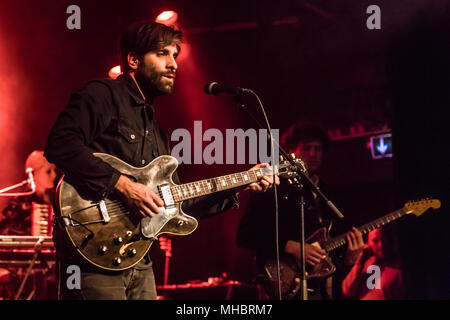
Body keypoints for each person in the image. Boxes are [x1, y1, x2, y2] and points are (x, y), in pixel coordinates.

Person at [44, 21, 276, 300]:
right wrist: (124, 186)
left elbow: (177, 202)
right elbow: (60, 143)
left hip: (138, 259)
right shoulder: (102, 95)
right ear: (133, 60)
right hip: (93, 255)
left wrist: (242, 182)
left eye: (175, 55)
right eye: (162, 53)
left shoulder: (157, 132)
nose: (174, 64)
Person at [237, 123, 364, 300]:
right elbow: (245, 234)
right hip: (284, 284)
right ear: (291, 153)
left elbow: (331, 246)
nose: (313, 154)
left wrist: (350, 258)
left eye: (318, 149)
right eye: (307, 148)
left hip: (322, 287)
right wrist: (291, 246)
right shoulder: (272, 186)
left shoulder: (327, 193)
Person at [0, 150, 58, 235]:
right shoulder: (18, 205)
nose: (54, 175)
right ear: (33, 174)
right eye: (48, 171)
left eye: (54, 170)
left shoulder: (60, 200)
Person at [341, 227, 404, 300]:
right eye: (375, 240)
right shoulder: (365, 262)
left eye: (383, 240)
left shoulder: (397, 266)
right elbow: (347, 291)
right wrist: (360, 262)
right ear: (368, 242)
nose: (380, 245)